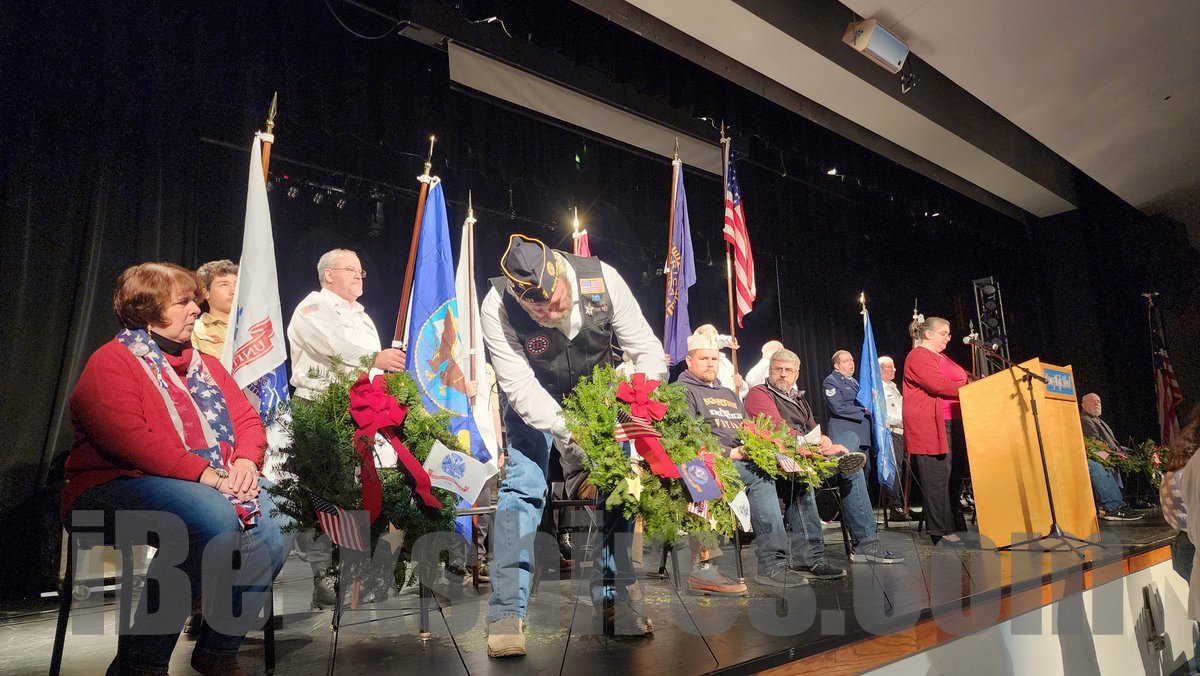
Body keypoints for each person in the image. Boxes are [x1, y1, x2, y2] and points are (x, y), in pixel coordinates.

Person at [62, 262, 290, 675]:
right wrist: (210, 477)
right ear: (148, 310)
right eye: (183, 302)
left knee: (282, 519)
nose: (196, 309)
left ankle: (218, 649)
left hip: (208, 482)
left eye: (194, 301)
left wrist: (243, 462)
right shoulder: (111, 362)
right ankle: (140, 664)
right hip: (114, 485)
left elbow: (247, 420)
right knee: (209, 517)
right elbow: (131, 441)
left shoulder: (208, 366)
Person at [481, 234, 665, 656]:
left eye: (555, 302)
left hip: (597, 394)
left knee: (618, 488)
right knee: (524, 486)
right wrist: (572, 432)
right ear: (519, 298)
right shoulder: (498, 305)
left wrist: (641, 397)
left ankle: (614, 600)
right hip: (534, 399)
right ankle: (507, 612)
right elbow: (520, 387)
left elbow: (646, 349)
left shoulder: (604, 279)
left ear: (561, 274)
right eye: (537, 310)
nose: (549, 314)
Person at [286, 248, 407, 607]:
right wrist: (374, 357)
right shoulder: (312, 308)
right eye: (351, 270)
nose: (359, 276)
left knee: (362, 491)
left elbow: (372, 370)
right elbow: (333, 348)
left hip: (360, 411)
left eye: (361, 271)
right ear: (329, 275)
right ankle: (324, 575)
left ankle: (359, 572)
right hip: (320, 407)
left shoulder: (363, 317)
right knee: (323, 493)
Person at [744, 348, 903, 569]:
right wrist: (815, 444)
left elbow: (814, 430)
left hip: (813, 457)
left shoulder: (798, 398)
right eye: (777, 369)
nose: (782, 374)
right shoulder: (759, 393)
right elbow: (777, 430)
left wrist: (826, 441)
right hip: (785, 462)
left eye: (788, 370)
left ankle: (866, 545)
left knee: (850, 444)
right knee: (847, 465)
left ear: (797, 374)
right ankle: (824, 552)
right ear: (769, 370)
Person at [678, 332, 811, 589]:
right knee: (760, 477)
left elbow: (749, 429)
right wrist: (729, 453)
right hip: (705, 462)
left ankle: (802, 559)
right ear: (689, 361)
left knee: (792, 474)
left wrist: (760, 447)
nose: (710, 364)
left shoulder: (728, 393)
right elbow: (687, 436)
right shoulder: (682, 390)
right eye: (703, 359)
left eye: (714, 359)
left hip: (741, 460)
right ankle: (762, 565)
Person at [902, 316, 970, 545]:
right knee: (937, 478)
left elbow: (960, 378)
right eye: (944, 333)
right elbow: (938, 384)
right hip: (933, 425)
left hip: (955, 421)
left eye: (949, 334)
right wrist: (969, 389)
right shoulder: (918, 356)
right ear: (928, 334)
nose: (948, 338)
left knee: (953, 476)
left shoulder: (941, 356)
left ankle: (953, 523)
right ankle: (940, 530)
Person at [1080, 393, 1142, 520]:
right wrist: (1116, 454)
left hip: (1112, 452)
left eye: (1099, 401)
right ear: (1083, 405)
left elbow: (1113, 443)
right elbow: (1095, 442)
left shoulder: (1100, 421)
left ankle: (1131, 501)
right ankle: (1115, 507)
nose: (1097, 403)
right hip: (1101, 454)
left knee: (1138, 458)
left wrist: (1127, 452)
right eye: (1092, 401)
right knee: (1099, 465)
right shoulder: (1085, 419)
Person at [879, 356, 916, 521]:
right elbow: (882, 415)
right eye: (889, 366)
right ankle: (895, 506)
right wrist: (902, 421)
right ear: (880, 369)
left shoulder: (893, 387)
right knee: (894, 469)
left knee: (904, 468)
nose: (894, 369)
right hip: (891, 433)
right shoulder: (878, 389)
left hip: (904, 432)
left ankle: (904, 504)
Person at [192, 259, 237, 358]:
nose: (233, 291)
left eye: (236, 285)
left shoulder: (252, 328)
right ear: (206, 293)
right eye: (224, 285)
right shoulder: (194, 329)